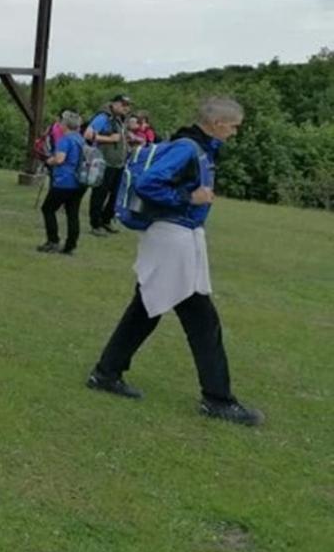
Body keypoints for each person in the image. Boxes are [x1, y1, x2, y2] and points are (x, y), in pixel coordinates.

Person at [87, 97, 264, 426]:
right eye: (234, 126)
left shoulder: (197, 148)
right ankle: (217, 398)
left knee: (146, 308)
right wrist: (187, 197)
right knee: (200, 318)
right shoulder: (188, 148)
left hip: (179, 237)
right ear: (216, 123)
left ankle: (106, 373)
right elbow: (148, 183)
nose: (235, 132)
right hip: (173, 237)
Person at [38, 111, 87, 255]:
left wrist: (49, 161)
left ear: (64, 124)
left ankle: (52, 241)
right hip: (79, 182)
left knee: (48, 208)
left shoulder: (65, 140)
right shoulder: (80, 139)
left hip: (64, 181)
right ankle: (70, 245)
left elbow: (60, 159)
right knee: (73, 213)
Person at [85, 94, 133, 236]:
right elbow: (88, 135)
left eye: (127, 105)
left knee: (116, 195)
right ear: (114, 104)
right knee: (100, 194)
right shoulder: (103, 118)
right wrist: (109, 139)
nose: (126, 108)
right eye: (123, 104)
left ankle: (106, 220)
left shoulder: (119, 120)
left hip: (118, 164)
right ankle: (95, 224)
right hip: (104, 163)